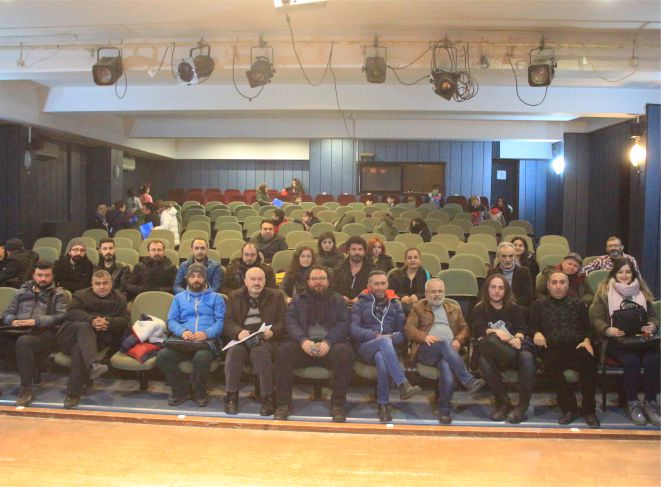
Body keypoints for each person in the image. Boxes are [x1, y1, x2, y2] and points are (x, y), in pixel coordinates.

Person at [273, 265, 353, 422]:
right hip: (304, 346)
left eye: (322, 278)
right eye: (314, 279)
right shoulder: (298, 300)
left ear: (328, 281)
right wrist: (303, 340)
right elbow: (290, 322)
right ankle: (283, 404)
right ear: (308, 281)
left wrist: (328, 342)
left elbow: (343, 324)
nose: (318, 282)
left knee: (345, 352)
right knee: (283, 351)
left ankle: (338, 405)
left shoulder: (338, 300)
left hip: (330, 347)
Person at [589, 257, 659, 425]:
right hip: (616, 341)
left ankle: (650, 402)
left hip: (641, 340)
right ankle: (633, 402)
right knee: (631, 361)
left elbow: (653, 316)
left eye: (628, 272)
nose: (625, 275)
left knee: (653, 360)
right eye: (621, 272)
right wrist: (607, 329)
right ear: (614, 274)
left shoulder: (642, 292)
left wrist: (653, 325)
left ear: (633, 274)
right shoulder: (604, 293)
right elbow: (595, 318)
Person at [405, 278, 485, 424]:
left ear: (444, 292)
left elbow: (465, 328)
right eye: (433, 292)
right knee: (442, 343)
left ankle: (444, 409)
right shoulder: (418, 307)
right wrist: (424, 336)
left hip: (448, 353)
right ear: (426, 294)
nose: (437, 294)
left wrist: (458, 340)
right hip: (426, 350)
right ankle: (467, 379)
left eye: (440, 291)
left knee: (445, 365)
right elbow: (409, 328)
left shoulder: (453, 308)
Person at [530, 270, 599, 427]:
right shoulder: (538, 305)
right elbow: (532, 327)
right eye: (554, 283)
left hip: (577, 346)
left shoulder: (578, 304)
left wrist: (587, 340)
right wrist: (536, 333)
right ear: (548, 286)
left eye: (562, 282)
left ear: (567, 286)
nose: (558, 286)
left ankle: (589, 410)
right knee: (550, 365)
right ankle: (569, 408)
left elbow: (588, 328)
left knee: (589, 360)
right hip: (551, 348)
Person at [350, 270, 421, 422]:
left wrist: (390, 339)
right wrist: (375, 336)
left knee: (381, 358)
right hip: (365, 348)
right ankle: (402, 383)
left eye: (383, 283)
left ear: (387, 284)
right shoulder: (360, 304)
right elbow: (354, 330)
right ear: (369, 286)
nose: (380, 287)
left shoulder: (396, 304)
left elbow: (402, 333)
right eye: (376, 284)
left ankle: (383, 405)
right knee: (383, 341)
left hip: (387, 350)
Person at [56, 270, 129, 408]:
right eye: (98, 283)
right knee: (84, 327)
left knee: (79, 349)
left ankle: (73, 394)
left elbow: (125, 321)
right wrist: (92, 320)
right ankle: (93, 364)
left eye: (105, 283)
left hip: (98, 338)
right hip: (71, 334)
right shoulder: (80, 295)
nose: (102, 287)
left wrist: (108, 322)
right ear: (92, 284)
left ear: (111, 283)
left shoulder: (120, 298)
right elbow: (71, 312)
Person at [156, 264, 225, 407]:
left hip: (206, 342)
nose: (196, 279)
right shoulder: (179, 298)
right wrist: (182, 331)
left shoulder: (216, 298)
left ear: (205, 278)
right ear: (187, 278)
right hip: (183, 341)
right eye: (192, 276)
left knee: (202, 357)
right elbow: (171, 320)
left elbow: (220, 322)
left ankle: (199, 392)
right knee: (163, 356)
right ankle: (181, 390)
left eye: (199, 276)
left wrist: (206, 333)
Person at [1, 261, 68, 406]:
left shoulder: (58, 293)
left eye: (47, 275)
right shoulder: (21, 292)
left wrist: (35, 321)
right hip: (17, 330)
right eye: (39, 275)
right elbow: (8, 312)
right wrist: (13, 321)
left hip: (44, 333)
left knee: (24, 342)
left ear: (52, 276)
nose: (43, 279)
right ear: (33, 275)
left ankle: (25, 389)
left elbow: (61, 316)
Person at [469, 274, 534, 423]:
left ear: (506, 291)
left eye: (501, 288)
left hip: (515, 352)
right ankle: (503, 402)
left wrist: (517, 338)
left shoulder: (514, 308)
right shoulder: (480, 308)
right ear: (487, 289)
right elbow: (478, 330)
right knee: (486, 349)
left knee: (527, 356)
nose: (497, 291)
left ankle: (522, 406)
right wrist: (496, 331)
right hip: (493, 355)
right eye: (493, 287)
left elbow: (521, 328)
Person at [223, 267, 287, 416]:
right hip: (243, 338)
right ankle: (231, 397)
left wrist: (273, 331)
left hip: (266, 339)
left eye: (260, 279)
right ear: (245, 281)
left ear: (265, 281)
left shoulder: (277, 296)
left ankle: (267, 399)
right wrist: (238, 332)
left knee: (260, 352)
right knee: (234, 353)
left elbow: (283, 322)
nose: (256, 283)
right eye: (252, 279)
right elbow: (228, 322)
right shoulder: (234, 296)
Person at [487, 242, 533, 308]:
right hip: (496, 306)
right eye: (504, 256)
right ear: (498, 257)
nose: (507, 260)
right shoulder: (492, 272)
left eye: (510, 256)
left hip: (517, 307)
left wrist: (512, 304)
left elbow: (528, 295)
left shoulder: (524, 272)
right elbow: (487, 292)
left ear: (515, 256)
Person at [333, 236, 372, 304]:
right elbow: (331, 290)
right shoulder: (337, 270)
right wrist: (339, 297)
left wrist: (363, 297)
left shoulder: (373, 271)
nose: (357, 252)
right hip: (341, 305)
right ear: (348, 251)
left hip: (366, 306)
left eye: (360, 249)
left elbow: (378, 290)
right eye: (354, 249)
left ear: (364, 252)